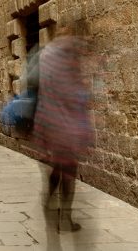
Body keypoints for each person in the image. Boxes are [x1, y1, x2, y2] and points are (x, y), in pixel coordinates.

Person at [32, 27, 93, 233]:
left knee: (57, 169)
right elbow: (73, 97)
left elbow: (39, 89)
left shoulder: (45, 56)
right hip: (65, 128)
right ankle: (65, 219)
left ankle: (49, 203)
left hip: (48, 124)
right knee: (68, 173)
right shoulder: (68, 60)